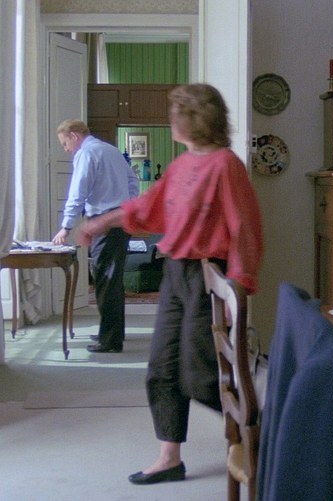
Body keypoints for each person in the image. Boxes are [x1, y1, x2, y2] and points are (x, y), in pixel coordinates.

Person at [75, 83, 264, 485]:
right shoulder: (182, 165)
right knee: (161, 369)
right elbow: (149, 207)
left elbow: (244, 228)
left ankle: (262, 431)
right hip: (175, 272)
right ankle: (169, 458)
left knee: (198, 375)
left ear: (194, 120)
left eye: (176, 114)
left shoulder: (225, 165)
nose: (171, 121)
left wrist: (238, 289)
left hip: (208, 277)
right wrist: (102, 222)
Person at [52, 119, 138, 353]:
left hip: (104, 222)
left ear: (74, 135)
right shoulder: (111, 150)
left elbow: (77, 191)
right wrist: (127, 208)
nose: (66, 149)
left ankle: (110, 341)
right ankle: (112, 332)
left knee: (105, 280)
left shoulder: (86, 153)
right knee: (113, 279)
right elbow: (133, 180)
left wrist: (66, 226)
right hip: (120, 221)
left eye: (65, 143)